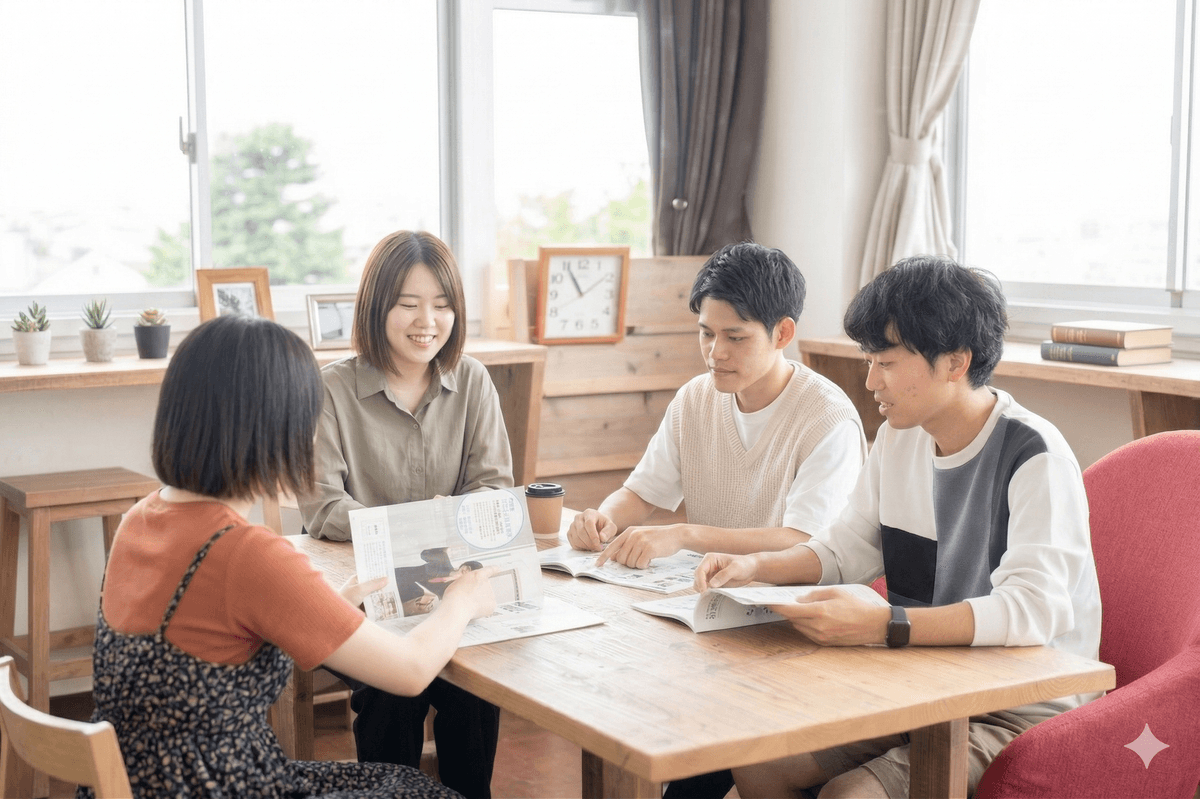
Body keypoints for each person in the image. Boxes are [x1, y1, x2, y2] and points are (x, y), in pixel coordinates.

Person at [693, 256, 1102, 799]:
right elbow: (846, 550)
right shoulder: (899, 435)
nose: (870, 381)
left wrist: (888, 625)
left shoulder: (1034, 457)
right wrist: (756, 567)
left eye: (885, 363)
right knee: (760, 764)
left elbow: (1033, 611)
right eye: (869, 361)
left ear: (955, 362)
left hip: (1017, 706)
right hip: (920, 682)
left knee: (850, 796)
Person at [80, 315, 496, 799]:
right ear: (274, 430)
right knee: (421, 790)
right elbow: (410, 671)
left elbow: (210, 639)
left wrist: (325, 605)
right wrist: (461, 601)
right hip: (226, 787)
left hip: (147, 781)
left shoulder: (139, 519)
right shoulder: (246, 554)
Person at [566, 241, 867, 799]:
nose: (715, 353)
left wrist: (684, 534)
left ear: (783, 333)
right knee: (604, 687)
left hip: (790, 630)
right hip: (710, 617)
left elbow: (805, 543)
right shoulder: (696, 399)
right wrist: (601, 519)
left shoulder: (827, 419)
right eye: (706, 333)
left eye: (735, 337)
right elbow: (641, 492)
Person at [299, 230, 511, 798]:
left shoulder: (473, 381)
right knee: (391, 688)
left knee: (475, 689)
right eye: (408, 304)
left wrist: (453, 521)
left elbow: (492, 489)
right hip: (364, 588)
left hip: (450, 588)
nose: (427, 322)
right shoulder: (331, 390)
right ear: (377, 307)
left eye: (442, 305)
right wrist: (422, 523)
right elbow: (323, 506)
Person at [394, 549, 485, 616]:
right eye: (468, 568)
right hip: (399, 576)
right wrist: (443, 549)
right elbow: (424, 554)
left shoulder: (450, 590)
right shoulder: (444, 560)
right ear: (464, 564)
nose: (466, 571)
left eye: (470, 573)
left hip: (403, 596)